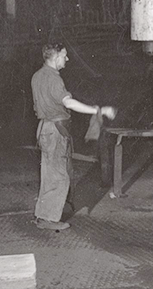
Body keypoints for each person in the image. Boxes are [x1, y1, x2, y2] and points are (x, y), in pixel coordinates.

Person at [33, 43, 116, 230]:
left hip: (45, 128)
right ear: (55, 57)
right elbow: (68, 103)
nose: (67, 59)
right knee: (60, 176)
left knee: (49, 174)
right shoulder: (54, 79)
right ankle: (49, 219)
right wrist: (97, 110)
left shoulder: (37, 76)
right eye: (64, 55)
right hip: (55, 131)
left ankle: (43, 215)